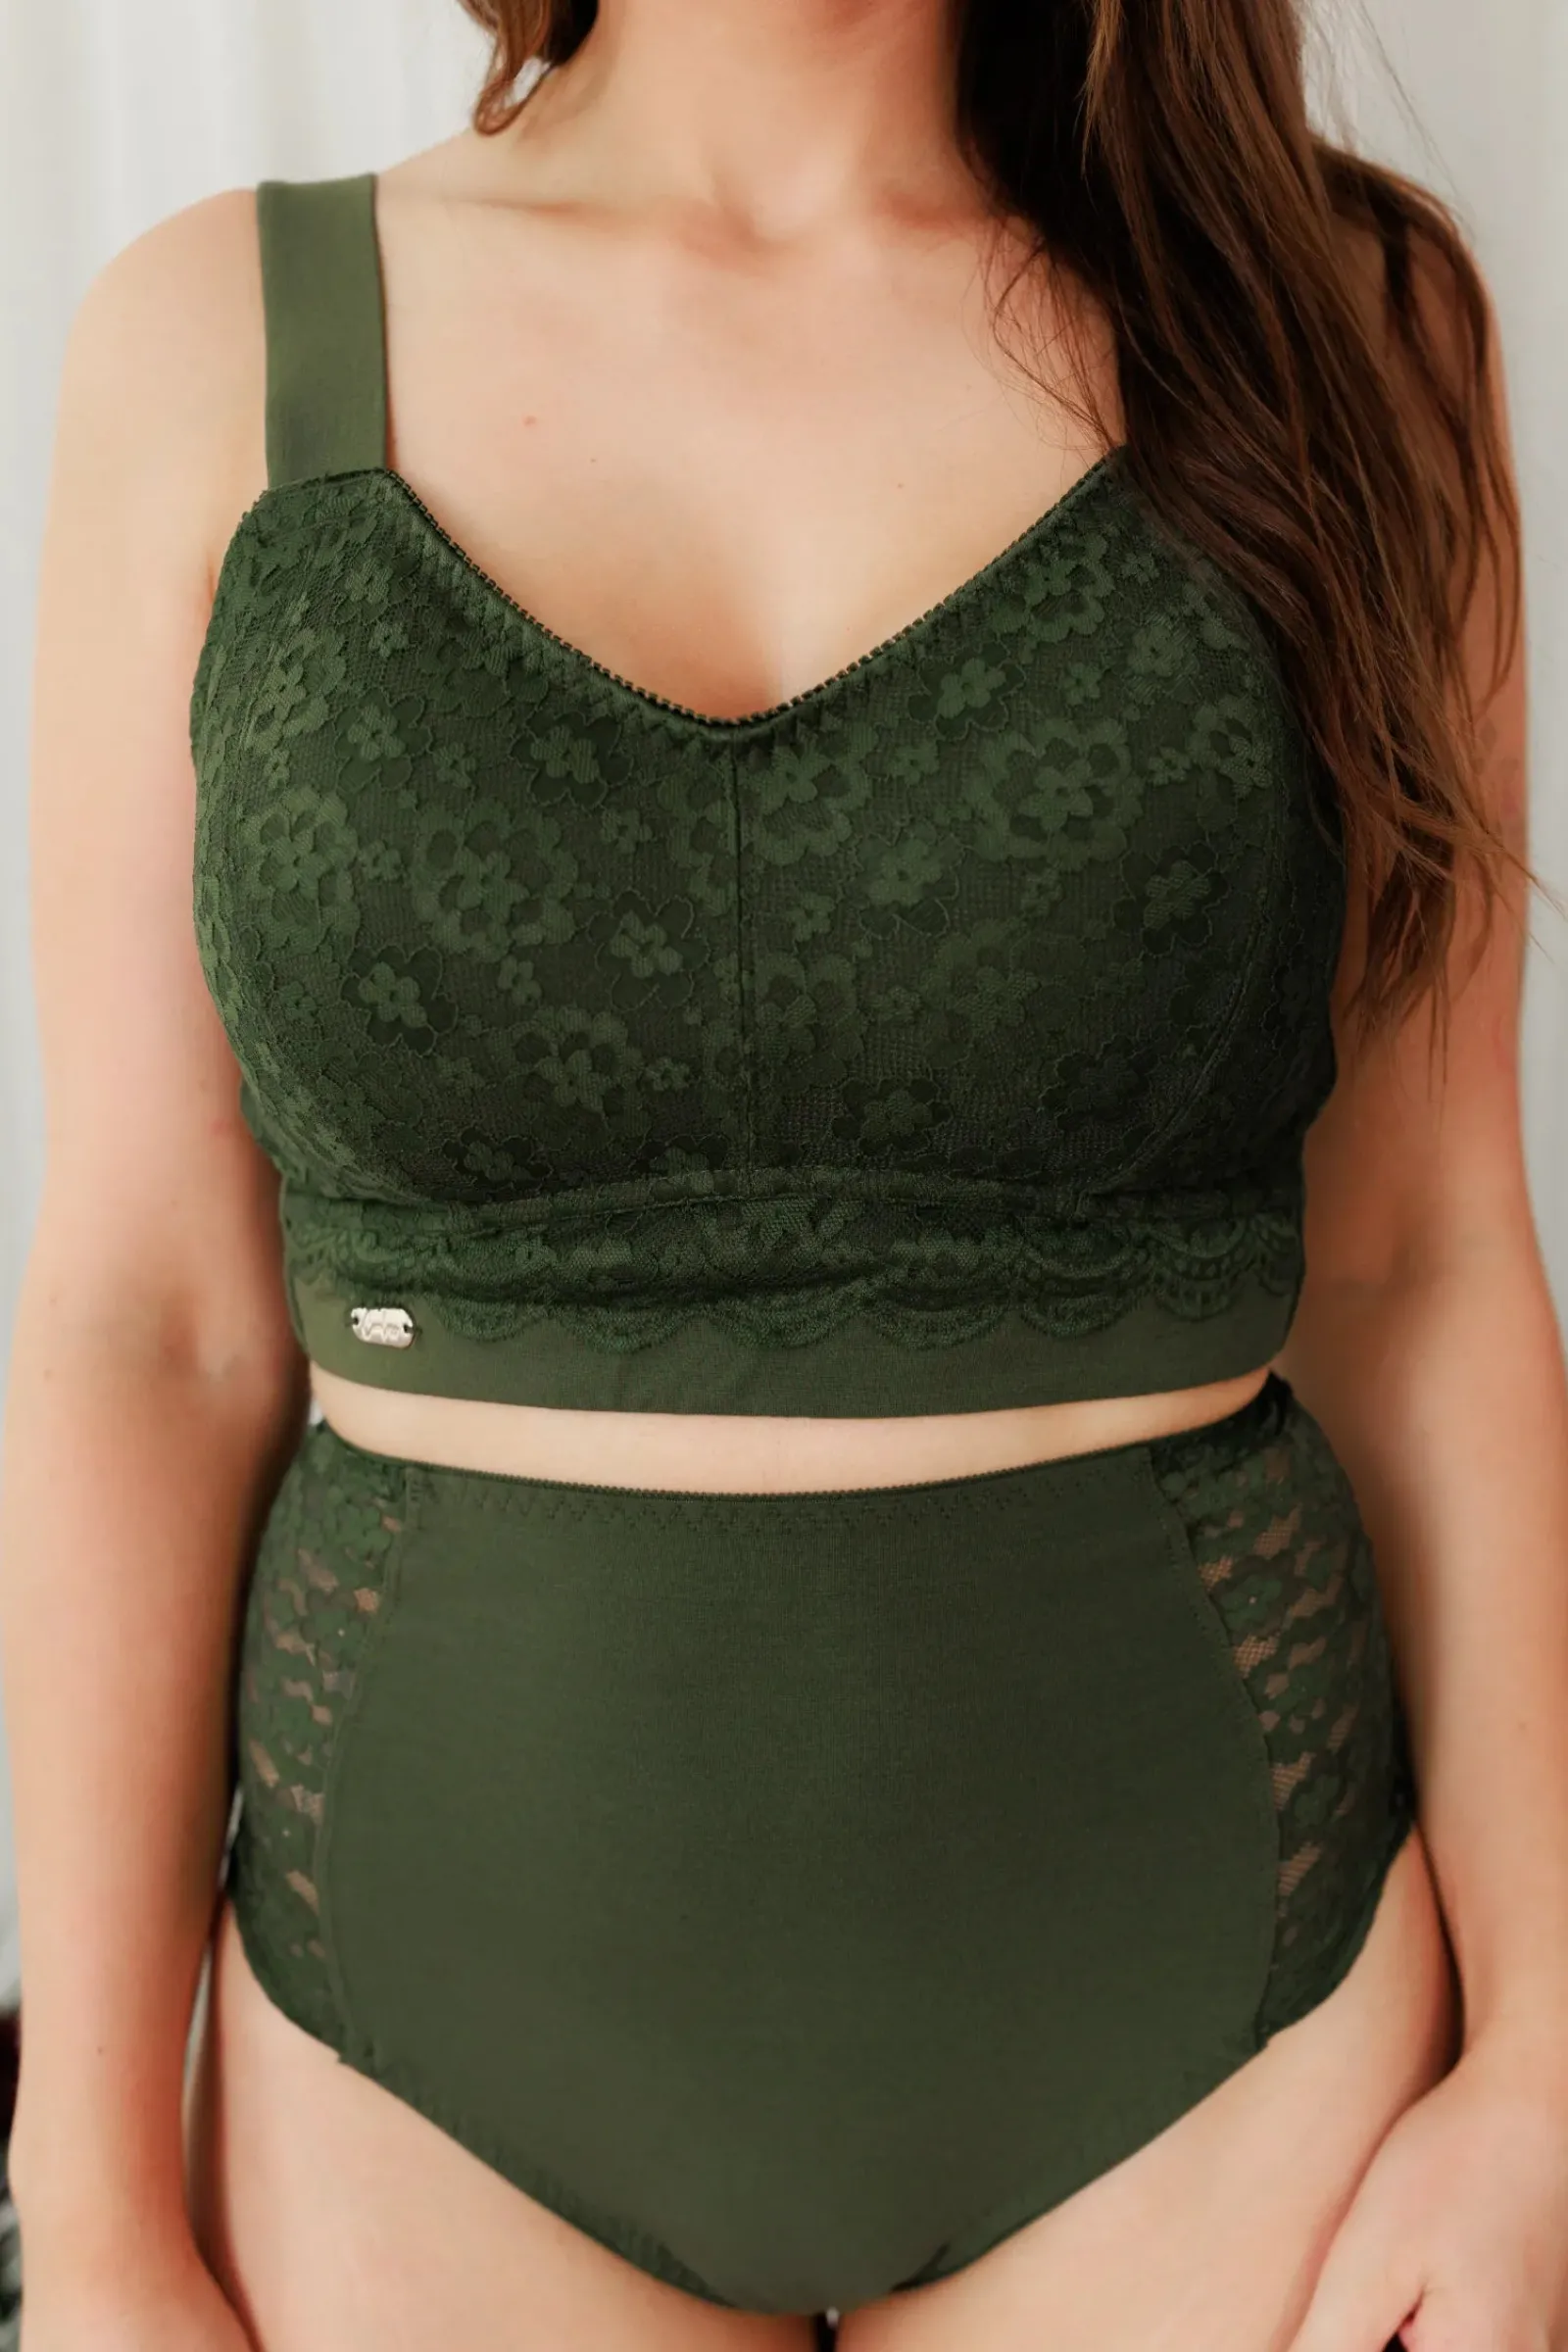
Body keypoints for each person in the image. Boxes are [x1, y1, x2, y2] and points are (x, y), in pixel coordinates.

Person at [5, 1, 1568, 2346]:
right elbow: (150, 1320)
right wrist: (92, 2211)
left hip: (1222, 2031)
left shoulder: (1345, 327)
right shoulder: (211, 340)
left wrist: (1544, 2077)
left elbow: (1421, 1259)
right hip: (411, 2055)